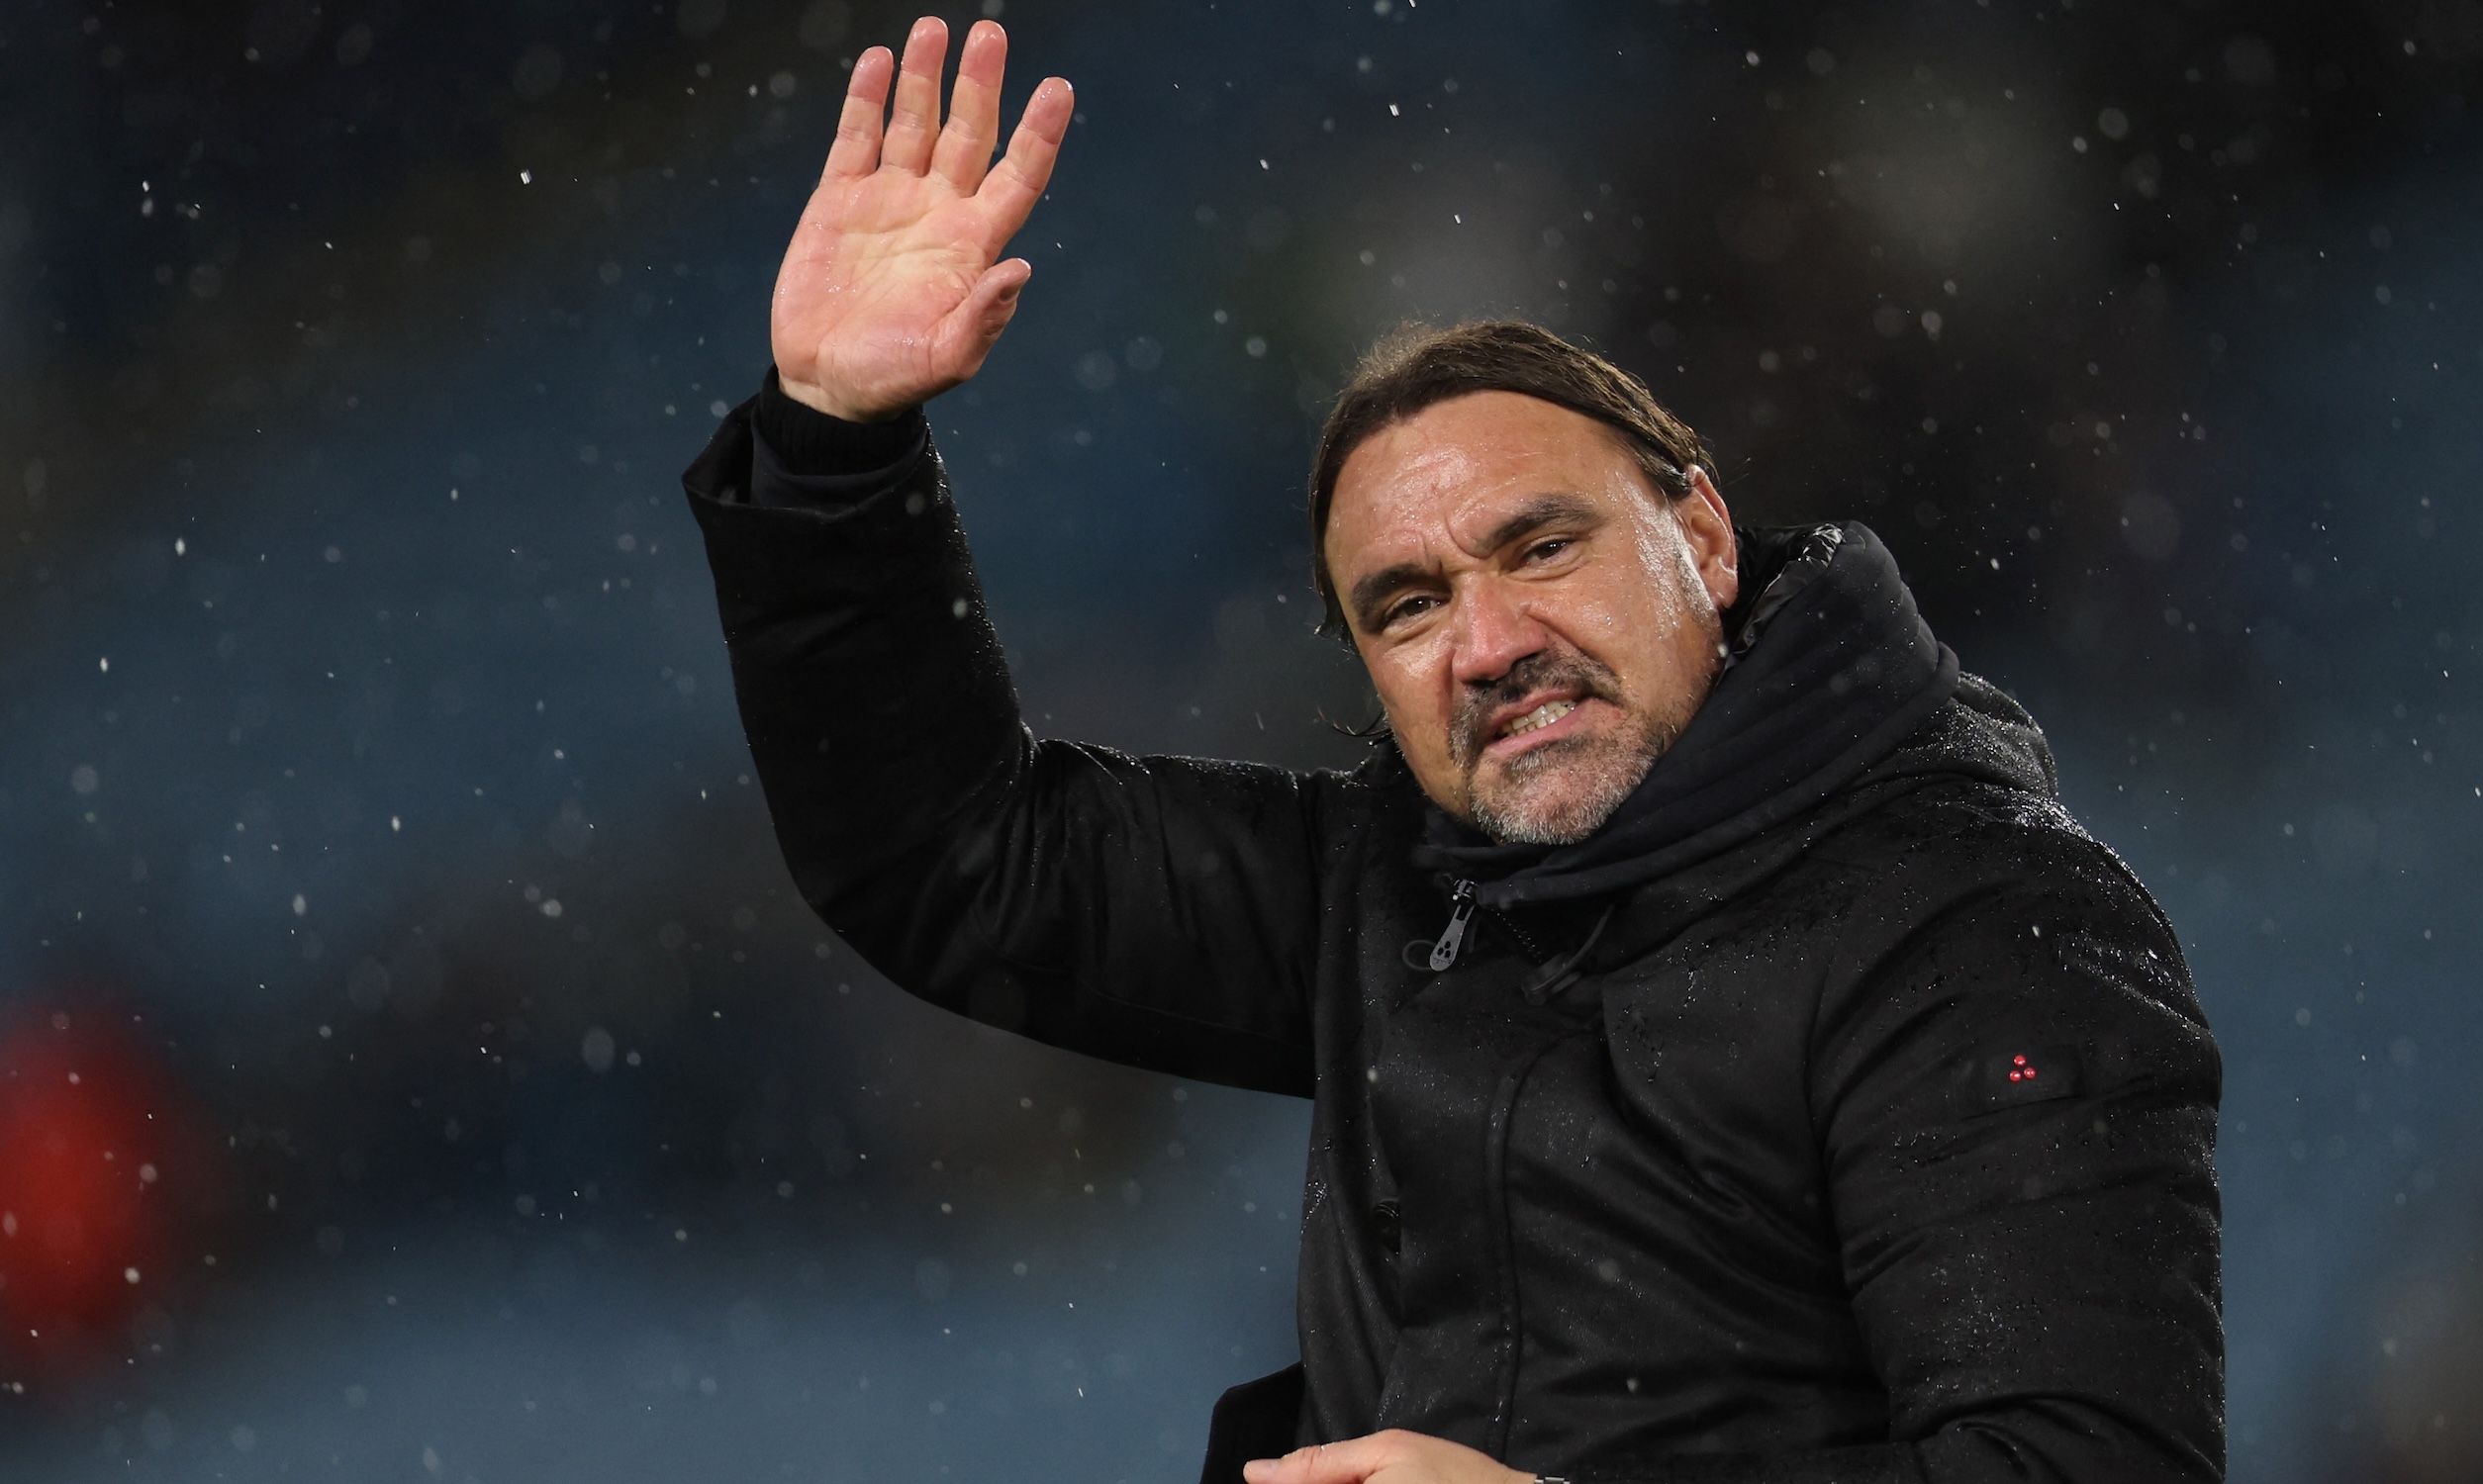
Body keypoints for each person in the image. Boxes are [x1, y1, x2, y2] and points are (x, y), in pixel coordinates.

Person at [679, 17, 2225, 1484]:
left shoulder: (1976, 927)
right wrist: (832, 446)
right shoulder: (1393, 887)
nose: (1488, 644)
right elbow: (959, 859)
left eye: (1541, 548)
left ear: (1701, 535)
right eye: (1408, 605)